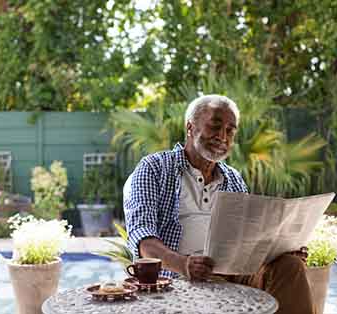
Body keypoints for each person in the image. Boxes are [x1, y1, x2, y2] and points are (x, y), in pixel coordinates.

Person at [124, 94, 315, 314]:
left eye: (230, 130)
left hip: (232, 271)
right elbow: (142, 237)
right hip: (177, 276)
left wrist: (283, 250)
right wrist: (183, 264)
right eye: (215, 126)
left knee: (290, 266)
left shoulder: (233, 179)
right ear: (190, 127)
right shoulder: (154, 168)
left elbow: (248, 239)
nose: (222, 136)